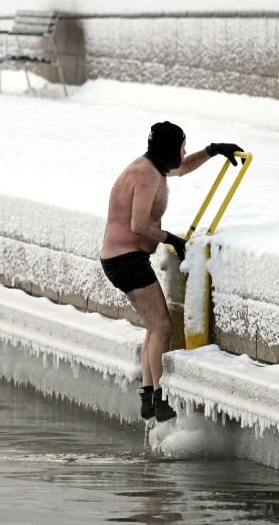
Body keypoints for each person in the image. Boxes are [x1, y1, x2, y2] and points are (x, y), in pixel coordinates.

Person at [100, 122, 241, 422]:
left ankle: (149, 397)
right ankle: (158, 398)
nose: (185, 152)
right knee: (162, 326)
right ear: (169, 149)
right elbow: (138, 226)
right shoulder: (145, 175)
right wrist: (172, 239)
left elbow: (182, 167)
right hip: (125, 259)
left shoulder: (155, 167)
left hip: (127, 258)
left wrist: (213, 151)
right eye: (182, 146)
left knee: (154, 326)